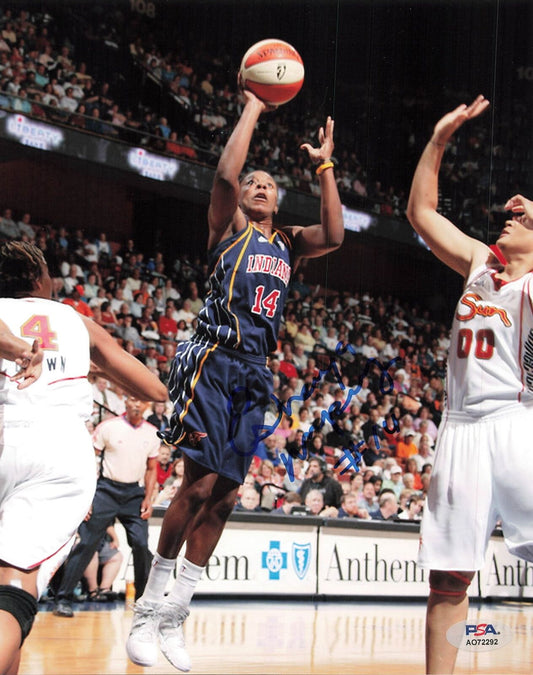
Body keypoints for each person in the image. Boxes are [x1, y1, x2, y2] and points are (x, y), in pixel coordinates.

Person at [126, 84, 344, 670]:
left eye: (269, 184)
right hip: (210, 360)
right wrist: (253, 106)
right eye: (254, 183)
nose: (259, 187)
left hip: (254, 374)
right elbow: (225, 176)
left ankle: (175, 618)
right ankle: (146, 611)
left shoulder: (289, 243)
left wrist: (325, 166)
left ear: (279, 199)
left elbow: (337, 234)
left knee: (224, 498)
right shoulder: (228, 229)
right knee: (195, 486)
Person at [406, 95, 533, 674]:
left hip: (515, 423)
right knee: (449, 576)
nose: (511, 212)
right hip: (460, 430)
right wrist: (438, 140)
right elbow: (422, 215)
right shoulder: (480, 261)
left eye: (525, 216)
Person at [0, 241, 166, 675]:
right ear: (41, 280)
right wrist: (94, 364)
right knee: (14, 587)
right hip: (54, 454)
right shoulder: (77, 322)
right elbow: (153, 389)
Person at [53, 394, 161, 618]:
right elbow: (88, 460)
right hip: (105, 490)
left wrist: (148, 498)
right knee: (87, 544)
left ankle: (143, 601)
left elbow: (152, 469)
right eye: (133, 399)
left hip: (134, 493)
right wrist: (87, 496)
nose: (136, 403)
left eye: (140, 400)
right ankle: (63, 598)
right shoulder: (108, 427)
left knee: (141, 544)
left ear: (147, 405)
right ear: (126, 402)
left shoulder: (152, 433)